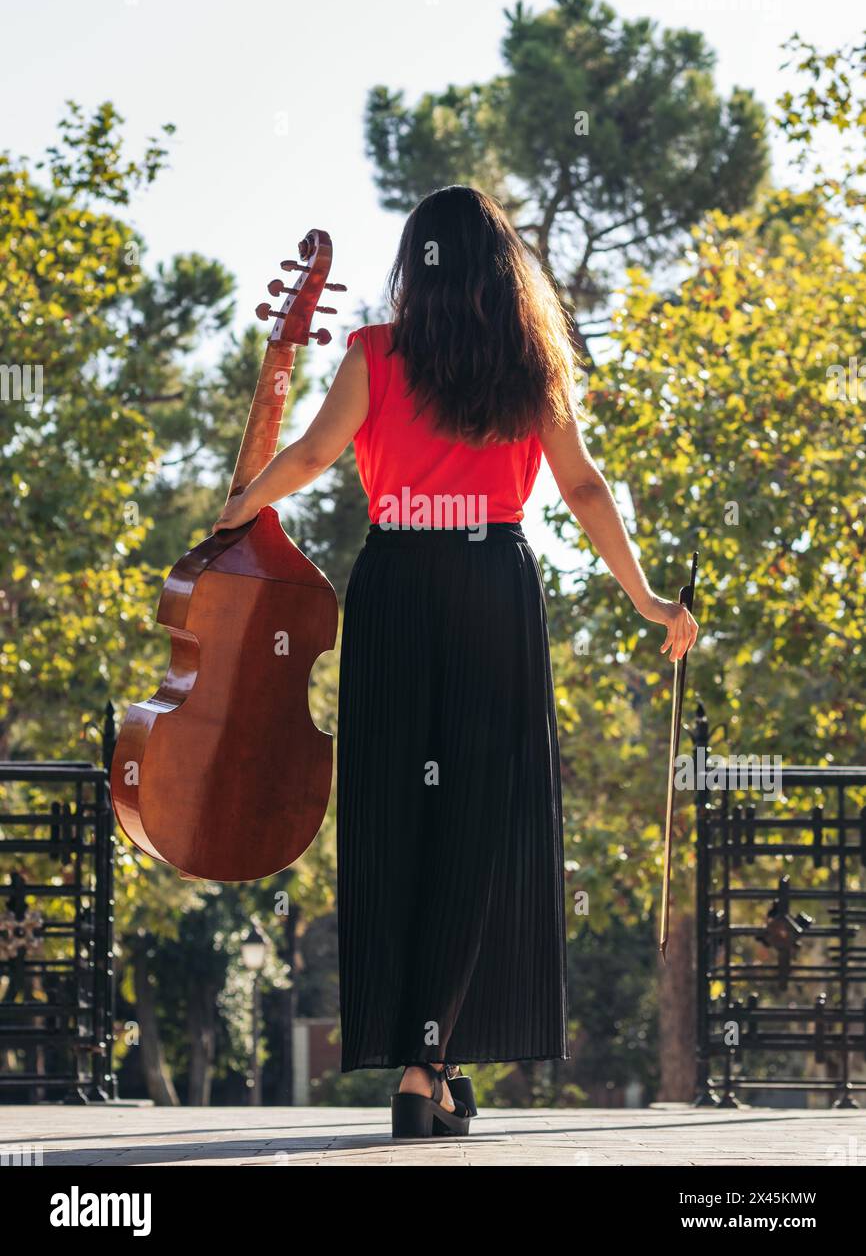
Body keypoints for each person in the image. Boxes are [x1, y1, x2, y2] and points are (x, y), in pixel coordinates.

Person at [215, 185, 699, 1139]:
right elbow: (586, 487)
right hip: (492, 587)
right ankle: (426, 1064)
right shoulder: (532, 363)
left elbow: (313, 455)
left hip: (394, 586)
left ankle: (428, 1059)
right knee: (479, 822)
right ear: (501, 268)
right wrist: (645, 597)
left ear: (414, 266)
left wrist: (238, 507)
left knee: (397, 817)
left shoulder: (376, 355)